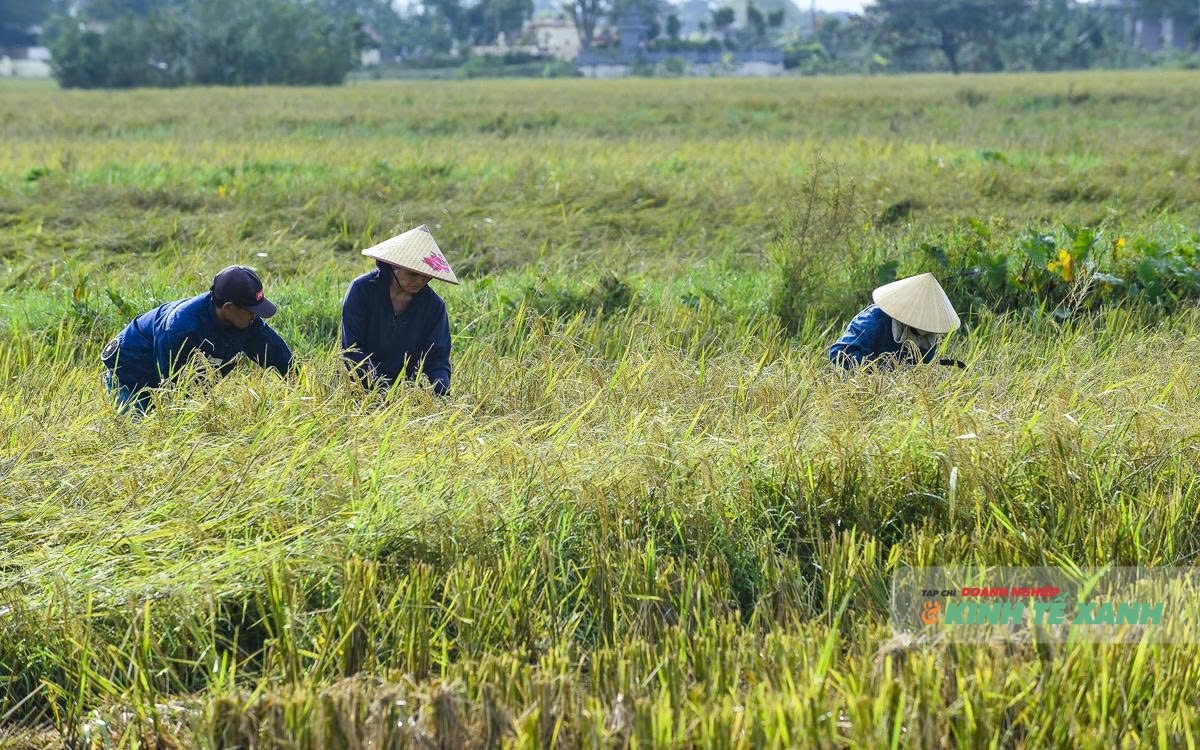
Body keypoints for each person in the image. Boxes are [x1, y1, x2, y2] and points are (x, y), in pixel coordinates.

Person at [101, 265, 293, 413]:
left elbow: (280, 358)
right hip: (131, 375)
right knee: (141, 436)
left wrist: (307, 390)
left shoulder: (246, 322)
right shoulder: (181, 328)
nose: (255, 316)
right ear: (228, 307)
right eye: (251, 310)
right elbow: (171, 392)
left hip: (171, 381)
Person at [340, 224, 457, 396]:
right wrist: (383, 390)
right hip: (360, 386)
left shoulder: (434, 306)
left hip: (409, 391)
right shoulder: (362, 290)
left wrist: (438, 393)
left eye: (426, 276)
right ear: (394, 266)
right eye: (413, 274)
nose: (420, 281)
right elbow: (352, 350)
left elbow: (437, 361)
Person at [828, 272, 960, 369]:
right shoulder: (873, 321)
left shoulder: (929, 339)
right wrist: (876, 366)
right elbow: (838, 354)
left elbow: (919, 368)